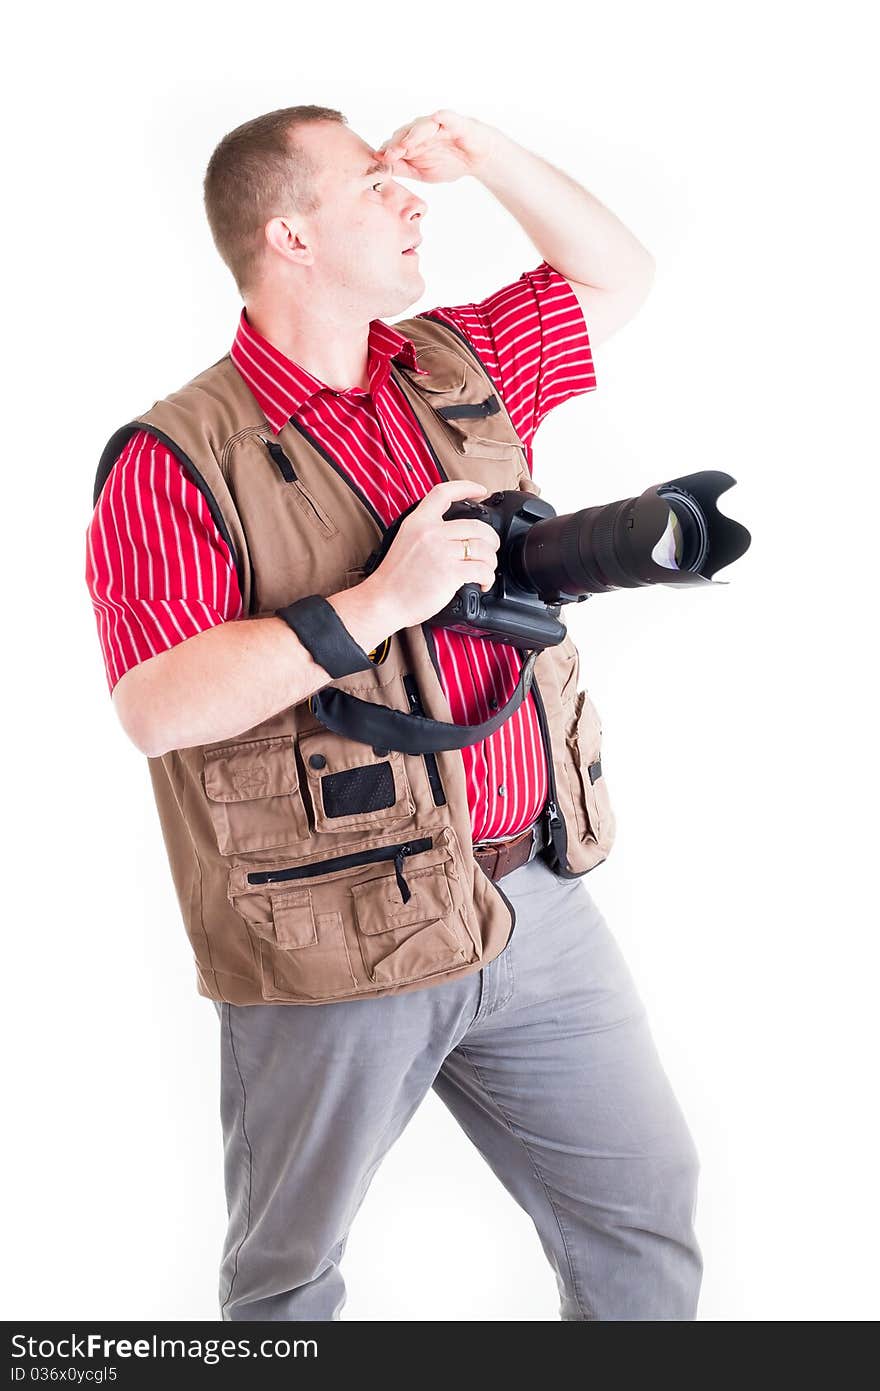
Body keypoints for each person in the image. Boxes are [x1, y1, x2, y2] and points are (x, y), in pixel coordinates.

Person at [85, 104, 702, 1321]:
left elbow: (614, 271)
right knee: (287, 1280)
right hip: (333, 933)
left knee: (642, 1206)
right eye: (375, 185)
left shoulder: (453, 360)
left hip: (532, 896)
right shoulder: (176, 455)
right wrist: (377, 601)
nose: (412, 201)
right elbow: (157, 706)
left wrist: (491, 153)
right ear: (291, 236)